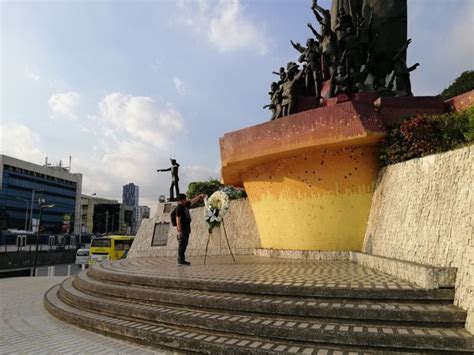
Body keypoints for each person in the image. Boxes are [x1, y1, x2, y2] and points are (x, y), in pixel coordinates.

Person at [175, 193, 206, 266]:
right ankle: (180, 261)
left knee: (184, 244)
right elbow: (178, 220)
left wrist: (199, 196)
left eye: (185, 199)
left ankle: (182, 260)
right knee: (182, 244)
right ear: (180, 201)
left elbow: (192, 201)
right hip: (182, 229)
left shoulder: (184, 205)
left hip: (186, 227)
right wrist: (179, 231)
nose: (185, 201)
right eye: (184, 200)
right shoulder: (179, 208)